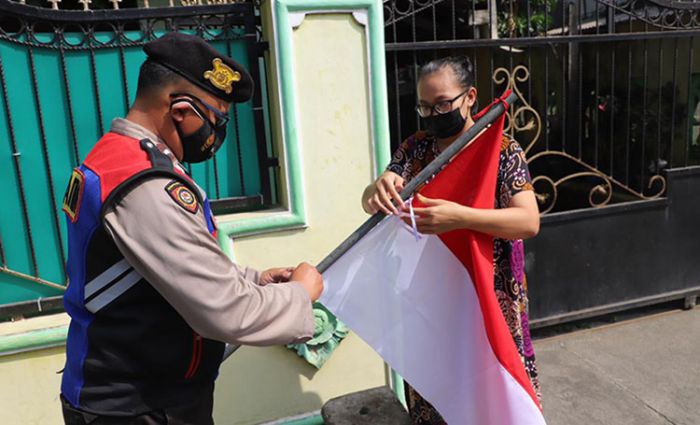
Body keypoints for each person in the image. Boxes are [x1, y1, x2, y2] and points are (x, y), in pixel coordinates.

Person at [59, 32, 323, 425]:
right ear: (181, 109)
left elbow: (156, 272)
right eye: (215, 118)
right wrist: (300, 295)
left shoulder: (117, 159)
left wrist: (255, 279)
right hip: (139, 407)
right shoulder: (144, 183)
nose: (216, 133)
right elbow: (224, 312)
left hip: (139, 396)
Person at [361, 56, 541, 424]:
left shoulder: (502, 151)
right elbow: (372, 201)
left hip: (490, 290)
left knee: (490, 388)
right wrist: (376, 188)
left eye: (443, 103)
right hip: (431, 290)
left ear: (470, 96)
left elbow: (527, 220)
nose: (434, 114)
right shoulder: (416, 149)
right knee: (436, 386)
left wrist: (460, 218)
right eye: (425, 107)